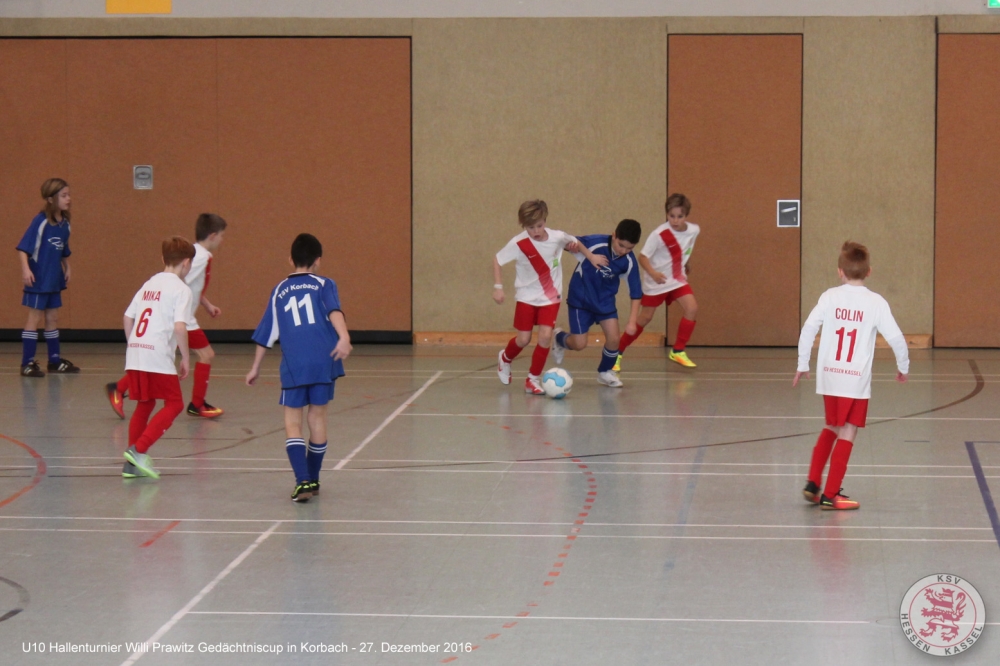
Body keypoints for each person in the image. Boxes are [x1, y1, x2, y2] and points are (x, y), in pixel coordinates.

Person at [794, 241, 909, 510]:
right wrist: (903, 366)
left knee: (832, 426)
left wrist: (803, 363)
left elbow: (809, 328)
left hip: (829, 375)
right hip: (854, 379)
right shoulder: (876, 302)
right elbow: (896, 338)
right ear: (869, 271)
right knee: (848, 430)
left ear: (840, 272)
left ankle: (813, 483)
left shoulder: (829, 297)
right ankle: (831, 494)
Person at [246, 233, 351, 502]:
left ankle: (302, 481)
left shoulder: (279, 290)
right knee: (318, 418)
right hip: (324, 359)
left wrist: (255, 367)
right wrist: (344, 336)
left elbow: (267, 332)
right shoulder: (325, 283)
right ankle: (313, 479)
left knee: (293, 422)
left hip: (295, 363)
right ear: (318, 261)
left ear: (290, 260)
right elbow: (334, 311)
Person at [106, 213, 228, 419]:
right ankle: (197, 404)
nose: (223, 240)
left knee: (161, 358)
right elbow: (180, 281)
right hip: (183, 319)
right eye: (222, 236)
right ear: (213, 236)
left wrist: (207, 304)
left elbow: (190, 284)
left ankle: (119, 387)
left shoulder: (196, 254)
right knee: (206, 355)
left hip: (182, 316)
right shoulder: (200, 257)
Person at [493, 200, 606, 394]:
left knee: (545, 337)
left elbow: (576, 242)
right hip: (526, 297)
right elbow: (497, 259)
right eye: (531, 227)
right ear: (523, 225)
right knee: (523, 339)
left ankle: (532, 379)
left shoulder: (557, 237)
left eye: (539, 225)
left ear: (545, 220)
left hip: (551, 298)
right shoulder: (519, 243)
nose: (536, 231)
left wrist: (591, 256)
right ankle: (505, 358)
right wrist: (498, 287)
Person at [120, 237, 195, 479]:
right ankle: (138, 449)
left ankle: (131, 465)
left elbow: (128, 317)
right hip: (156, 353)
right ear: (187, 263)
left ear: (163, 259)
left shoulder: (149, 283)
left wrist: (133, 344)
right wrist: (185, 357)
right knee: (175, 404)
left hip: (136, 351)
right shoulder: (181, 290)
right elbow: (180, 326)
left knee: (145, 402)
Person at [550, 219, 643, 387]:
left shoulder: (629, 261)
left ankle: (605, 372)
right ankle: (559, 338)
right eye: (621, 245)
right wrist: (574, 249)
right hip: (581, 299)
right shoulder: (595, 243)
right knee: (579, 344)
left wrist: (632, 321)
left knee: (614, 339)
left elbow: (635, 292)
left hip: (604, 302)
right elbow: (568, 241)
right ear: (614, 236)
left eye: (629, 248)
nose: (624, 251)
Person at [615, 193, 700, 370]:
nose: (675, 220)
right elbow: (643, 257)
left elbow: (685, 248)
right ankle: (617, 352)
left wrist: (686, 262)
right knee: (645, 318)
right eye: (671, 216)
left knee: (692, 308)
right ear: (666, 214)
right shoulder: (659, 234)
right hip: (657, 282)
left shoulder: (694, 230)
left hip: (676, 280)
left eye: (680, 216)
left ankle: (678, 351)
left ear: (686, 215)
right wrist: (653, 273)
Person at [16, 178, 78, 377]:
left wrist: (67, 267)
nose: (68, 199)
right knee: (34, 318)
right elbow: (23, 249)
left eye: (68, 195)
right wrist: (26, 270)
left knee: (53, 318)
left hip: (54, 278)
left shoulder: (65, 224)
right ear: (51, 199)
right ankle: (27, 363)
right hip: (39, 279)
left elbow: (62, 250)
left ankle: (54, 360)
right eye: (63, 196)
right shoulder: (41, 221)